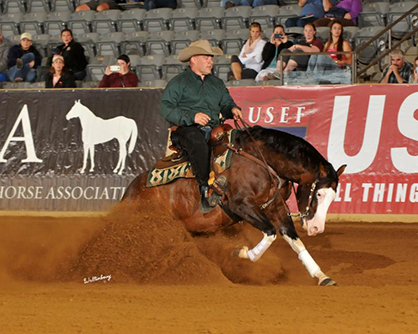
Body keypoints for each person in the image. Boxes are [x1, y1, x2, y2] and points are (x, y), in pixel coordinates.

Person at [160, 39, 242, 213]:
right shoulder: (179, 82)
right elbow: (165, 107)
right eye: (206, 57)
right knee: (198, 145)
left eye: (211, 58)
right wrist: (191, 116)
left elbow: (225, 103)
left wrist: (233, 109)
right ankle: (205, 190)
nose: (210, 61)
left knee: (239, 143)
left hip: (213, 129)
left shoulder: (216, 83)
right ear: (194, 59)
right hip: (185, 130)